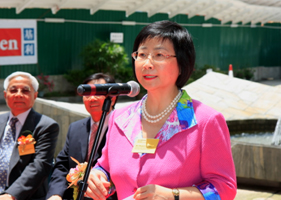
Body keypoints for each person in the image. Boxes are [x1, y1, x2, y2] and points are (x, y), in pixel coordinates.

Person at [85, 20, 237, 200]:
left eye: (159, 54)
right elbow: (106, 167)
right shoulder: (120, 118)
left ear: (182, 63)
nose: (147, 63)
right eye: (141, 54)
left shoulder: (205, 120)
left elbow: (224, 188)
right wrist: (97, 176)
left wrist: (173, 195)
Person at [46, 73, 118, 200]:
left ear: (112, 98)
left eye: (97, 93)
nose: (92, 99)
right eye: (87, 94)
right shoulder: (75, 128)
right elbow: (62, 166)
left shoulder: (124, 127)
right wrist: (55, 194)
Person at [0, 71, 59, 200]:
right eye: (13, 90)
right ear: (5, 95)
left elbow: (40, 165)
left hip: (24, 196)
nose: (19, 95)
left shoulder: (46, 126)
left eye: (25, 91)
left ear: (35, 95)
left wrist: (11, 195)